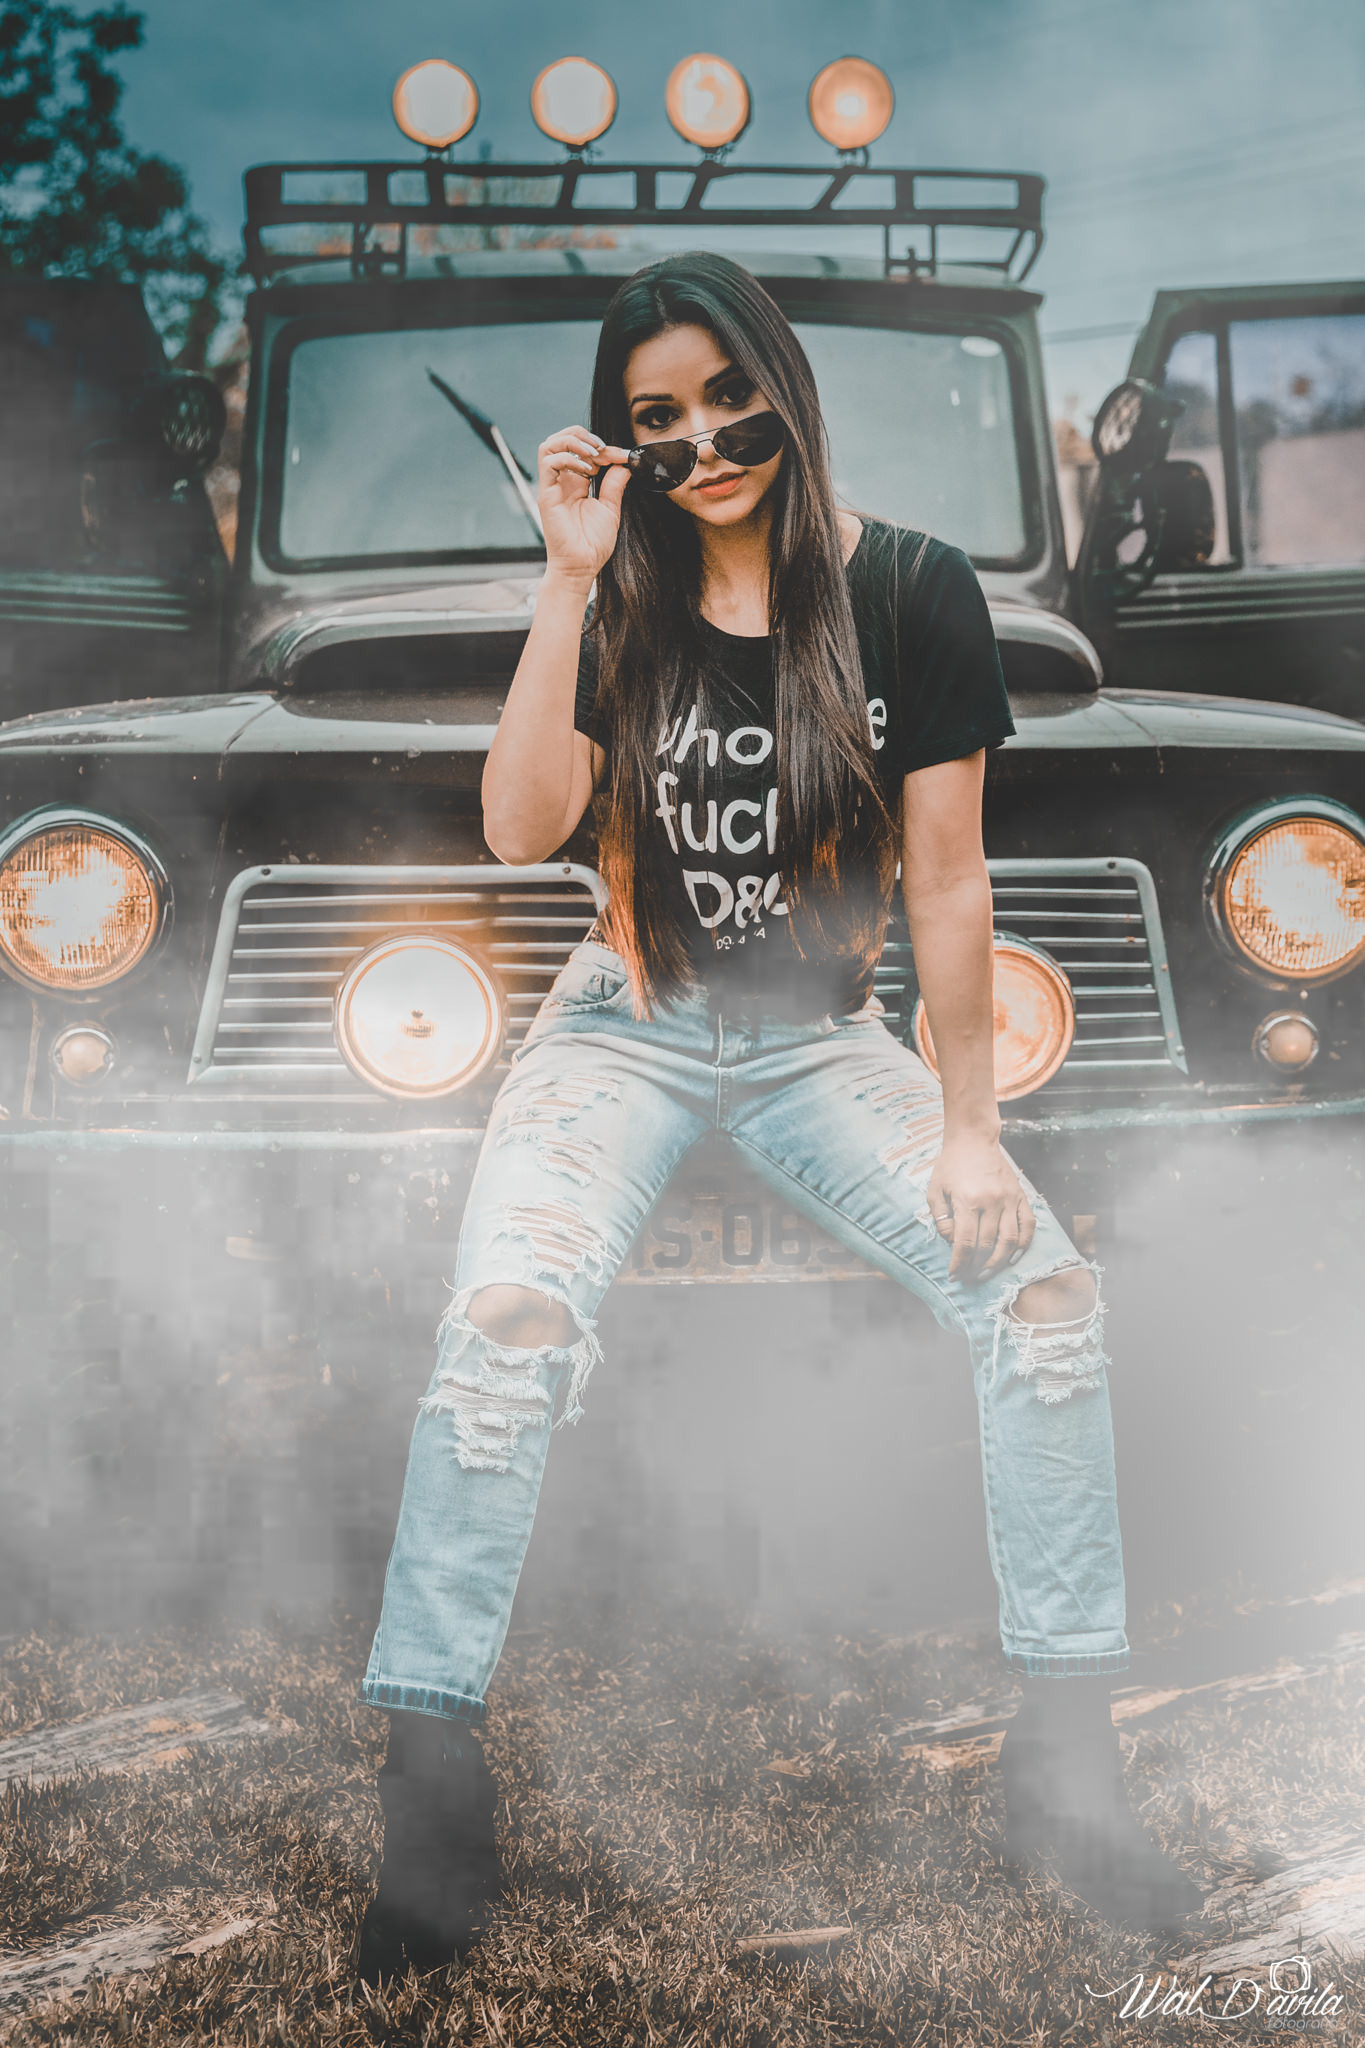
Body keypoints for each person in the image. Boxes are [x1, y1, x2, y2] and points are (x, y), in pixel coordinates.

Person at [356, 252, 1204, 1982]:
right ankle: (433, 1788)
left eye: (729, 398)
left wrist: (968, 1128)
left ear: (784, 388)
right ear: (623, 439)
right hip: (627, 1024)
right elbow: (519, 828)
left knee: (1045, 1298)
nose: (704, 441)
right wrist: (565, 579)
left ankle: (1063, 1767)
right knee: (506, 1319)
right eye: (656, 416)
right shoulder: (620, 589)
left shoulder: (907, 590)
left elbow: (947, 882)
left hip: (822, 1040)